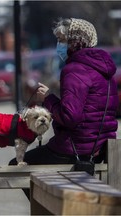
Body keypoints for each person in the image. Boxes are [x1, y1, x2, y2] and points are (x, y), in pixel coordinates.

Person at [9, 18, 119, 198]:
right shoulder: (104, 70)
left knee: (17, 165)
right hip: (100, 146)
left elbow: (70, 116)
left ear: (75, 41)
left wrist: (48, 99)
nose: (58, 45)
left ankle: (52, 208)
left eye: (61, 40)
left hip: (76, 147)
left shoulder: (74, 70)